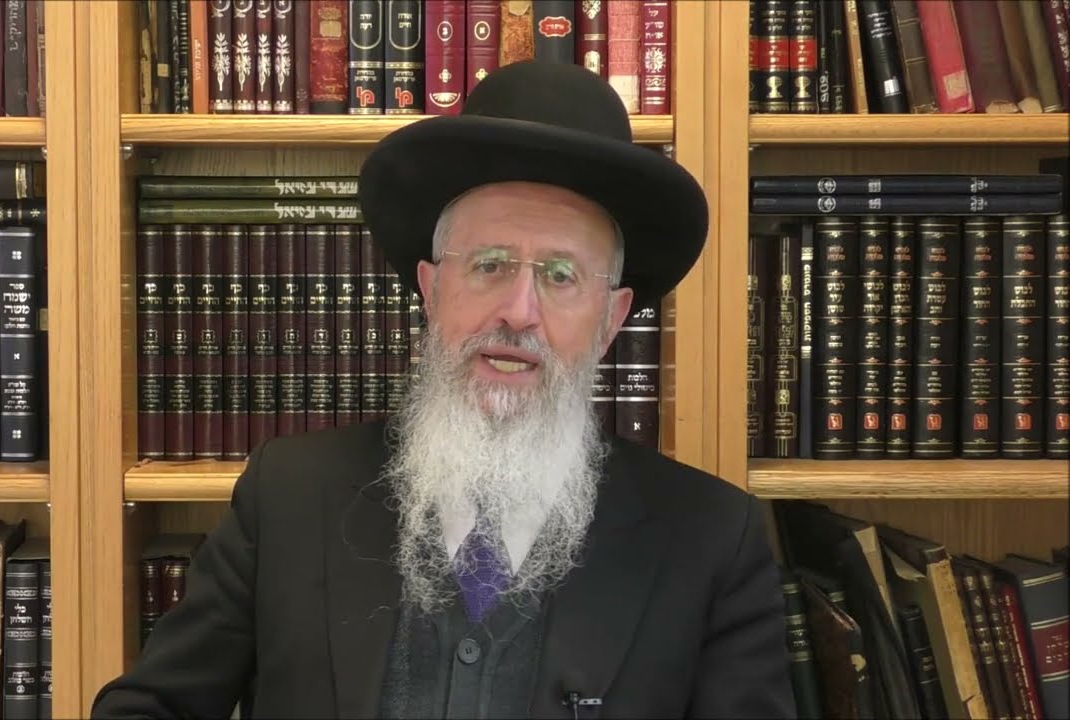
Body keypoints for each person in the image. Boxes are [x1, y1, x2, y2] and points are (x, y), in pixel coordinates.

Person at [90, 61, 795, 719]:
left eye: (561, 276)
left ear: (610, 320)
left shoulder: (711, 540)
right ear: (432, 290)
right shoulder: (289, 496)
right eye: (489, 264)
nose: (519, 312)